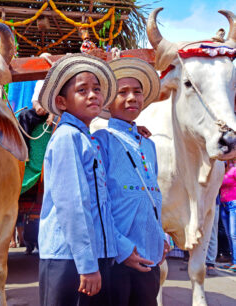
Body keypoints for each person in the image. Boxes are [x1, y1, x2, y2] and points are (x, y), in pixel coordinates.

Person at [37, 53, 119, 306]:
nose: (93, 95)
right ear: (61, 101)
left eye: (97, 89)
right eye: (82, 90)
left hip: (89, 258)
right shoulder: (67, 138)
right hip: (69, 260)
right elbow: (72, 206)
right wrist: (87, 265)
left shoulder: (86, 138)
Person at [94, 57, 169, 306]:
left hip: (149, 258)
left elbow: (153, 196)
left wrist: (163, 238)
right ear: (107, 101)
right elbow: (98, 205)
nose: (132, 98)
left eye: (137, 92)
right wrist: (123, 249)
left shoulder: (148, 143)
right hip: (118, 259)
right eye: (122, 92)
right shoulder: (101, 141)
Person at [220, 159, 236, 272]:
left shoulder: (234, 169)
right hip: (224, 204)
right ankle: (232, 261)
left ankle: (235, 262)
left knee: (233, 234)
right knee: (228, 234)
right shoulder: (222, 169)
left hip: (234, 204)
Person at [205, 194, 220, 276]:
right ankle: (193, 260)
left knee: (212, 234)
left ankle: (211, 264)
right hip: (197, 201)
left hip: (213, 202)